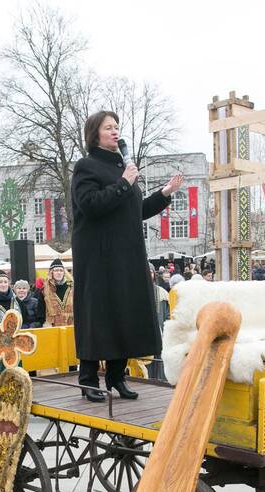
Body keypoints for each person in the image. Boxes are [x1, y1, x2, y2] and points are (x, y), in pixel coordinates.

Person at [70, 110, 182, 402]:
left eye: (117, 127)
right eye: (109, 127)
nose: (115, 131)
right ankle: (89, 379)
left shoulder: (123, 166)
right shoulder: (86, 166)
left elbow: (136, 211)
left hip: (126, 255)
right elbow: (90, 205)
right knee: (99, 316)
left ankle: (117, 377)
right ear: (95, 133)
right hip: (98, 257)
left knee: (123, 312)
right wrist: (123, 182)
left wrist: (165, 194)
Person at [43, 258, 73, 327]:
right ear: (51, 273)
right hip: (52, 327)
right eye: (56, 270)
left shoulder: (71, 288)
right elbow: (41, 311)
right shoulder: (44, 290)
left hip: (70, 326)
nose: (59, 272)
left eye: (61, 270)